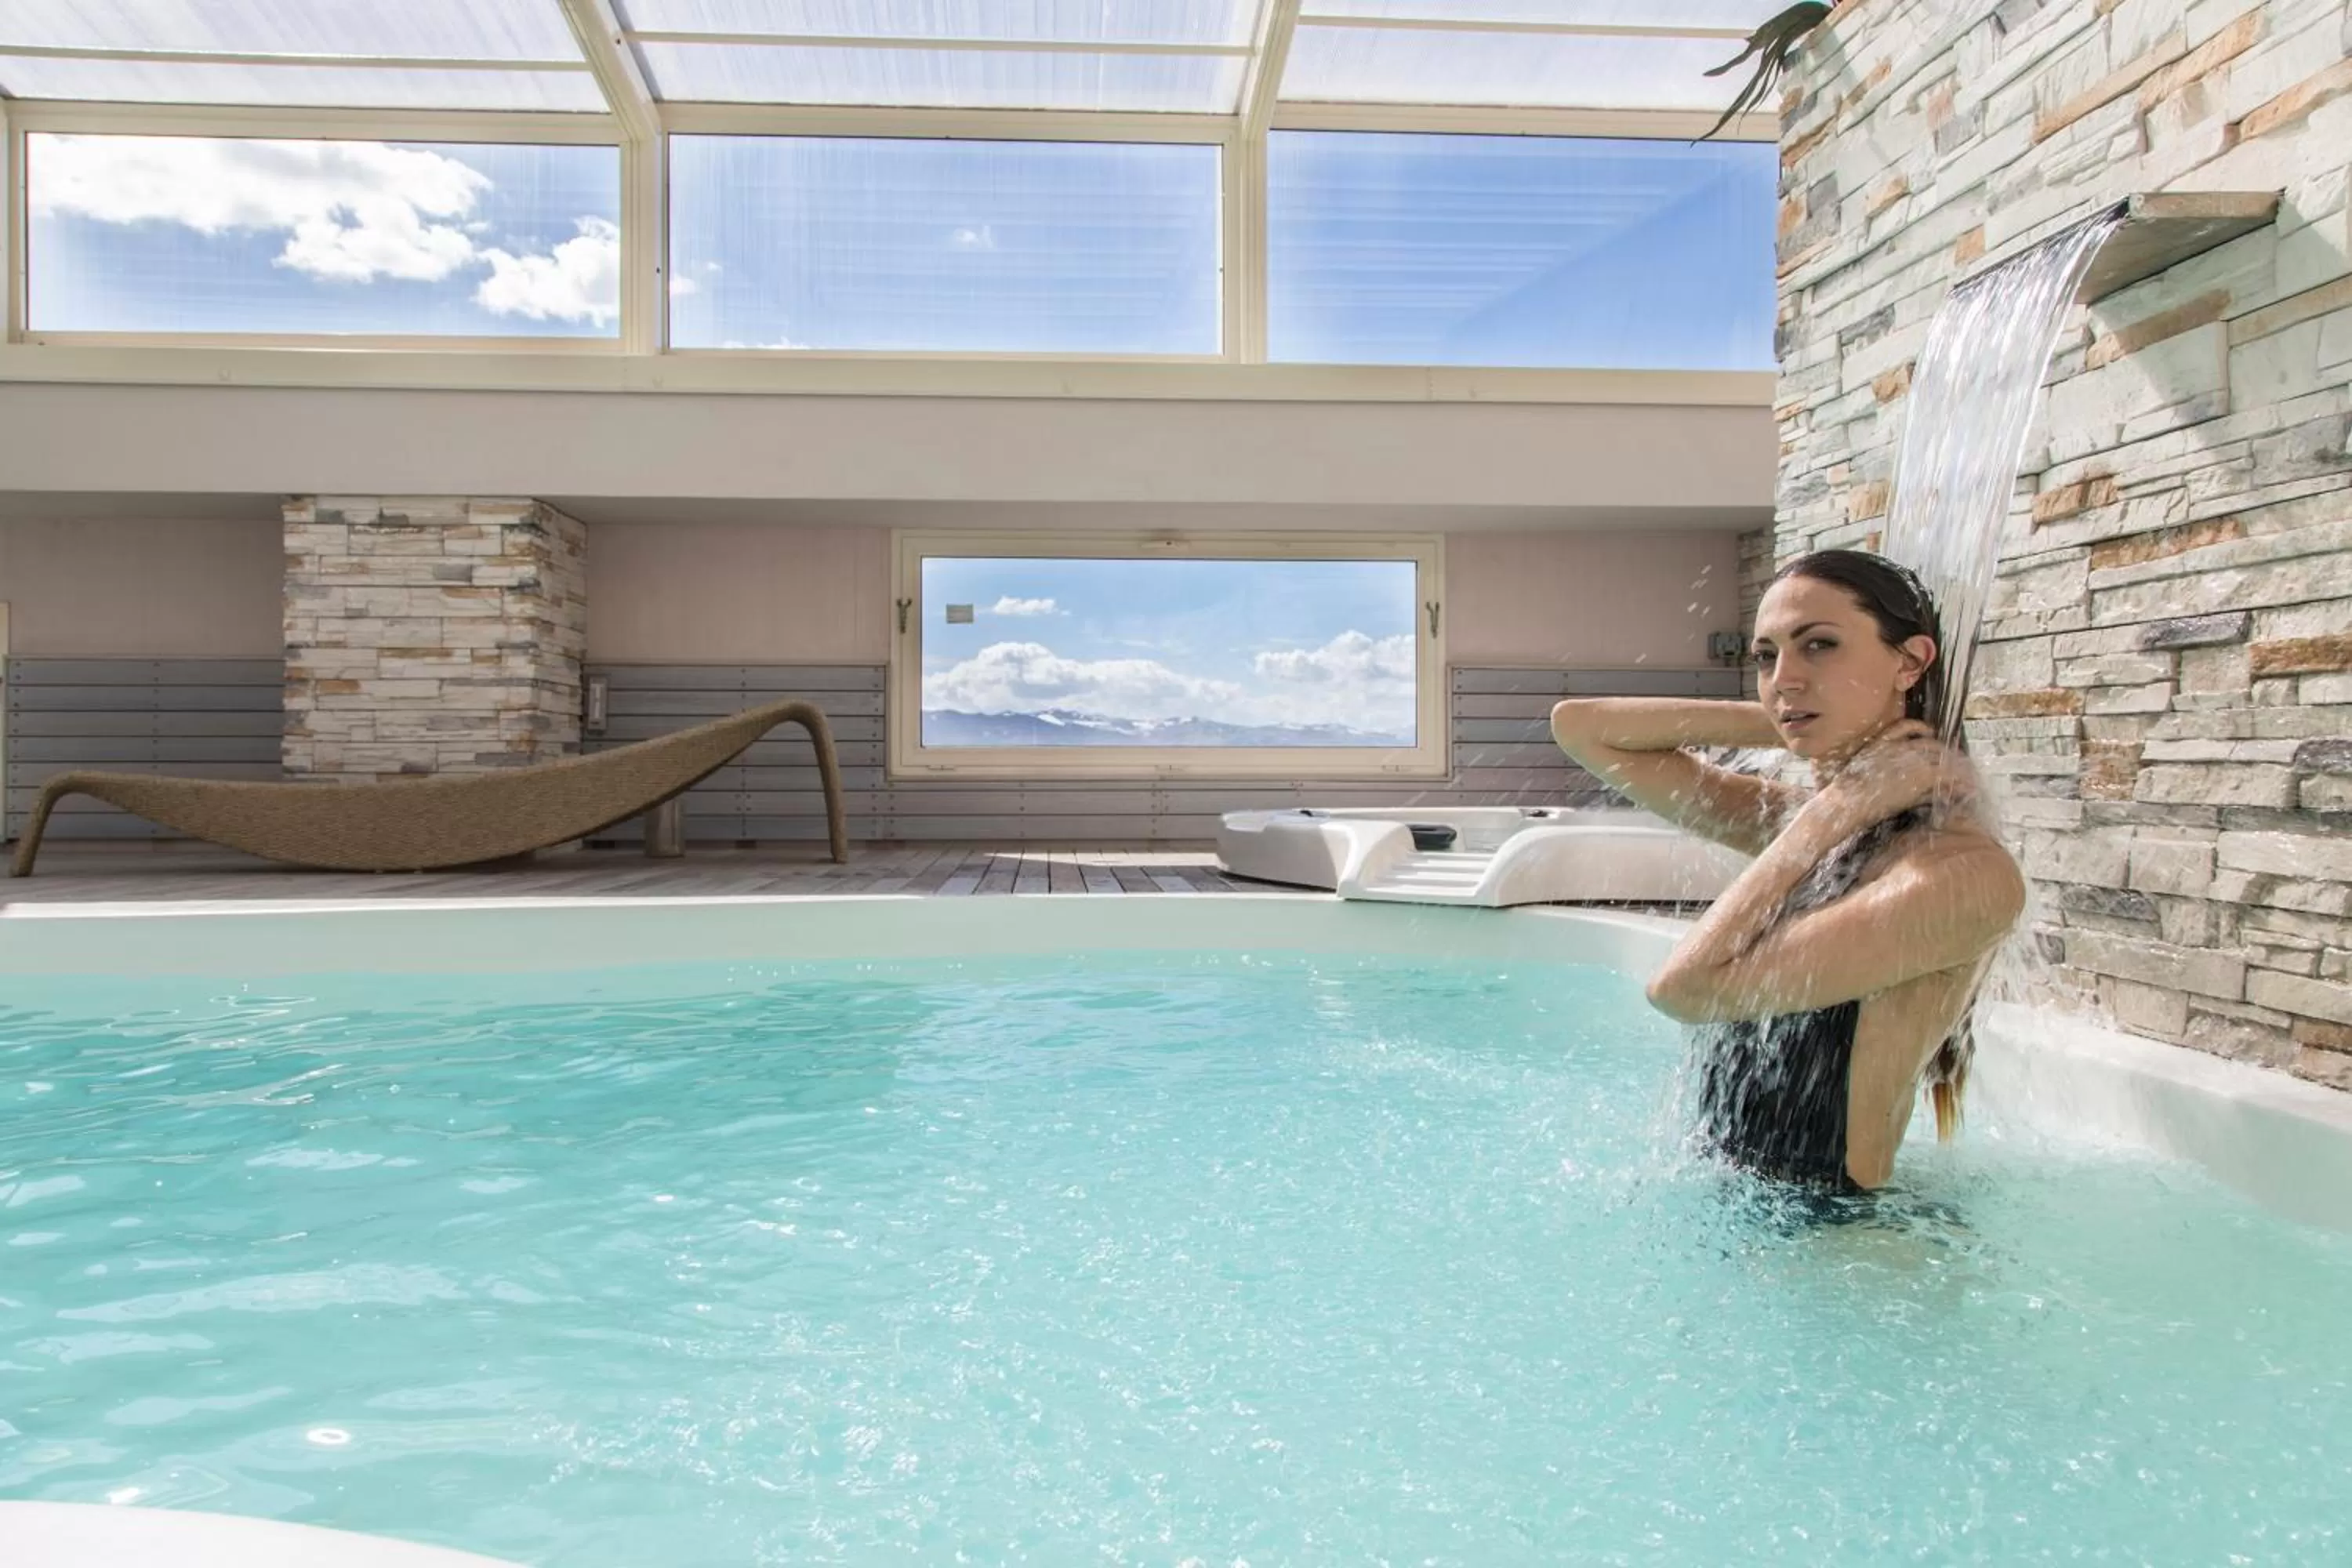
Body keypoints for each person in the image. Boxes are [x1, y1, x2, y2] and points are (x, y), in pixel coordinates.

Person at [1550, 550, 2025, 1193]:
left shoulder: (1961, 873)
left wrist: (1839, 805)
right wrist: (1793, 724)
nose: (1784, 677)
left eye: (1820, 645)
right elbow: (1582, 728)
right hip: (1741, 1214)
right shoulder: (1814, 826)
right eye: (1766, 657)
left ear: (1909, 662)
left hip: (1840, 1243)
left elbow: (1684, 992)